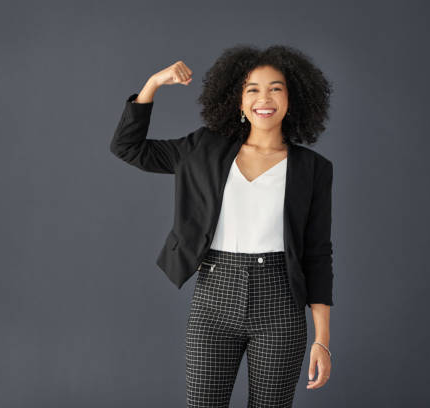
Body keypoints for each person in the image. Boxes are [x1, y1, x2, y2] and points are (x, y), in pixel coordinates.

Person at [110, 44, 334, 408]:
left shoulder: (313, 169)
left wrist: (322, 339)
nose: (265, 98)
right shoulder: (202, 148)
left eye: (276, 88)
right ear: (238, 101)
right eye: (253, 89)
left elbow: (318, 254)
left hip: (280, 305)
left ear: (293, 99)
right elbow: (127, 147)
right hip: (214, 298)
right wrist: (153, 84)